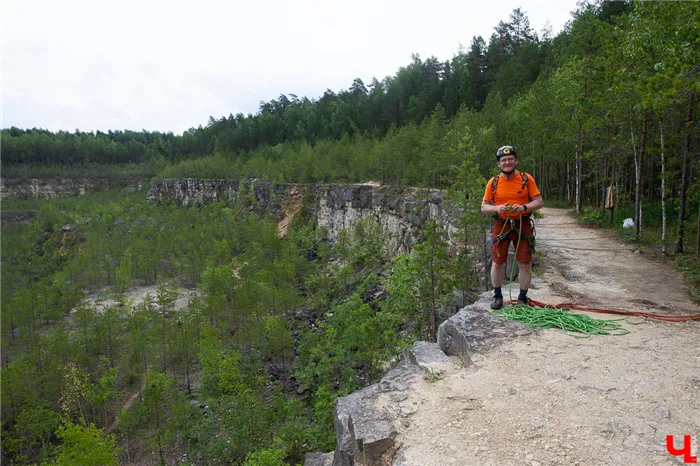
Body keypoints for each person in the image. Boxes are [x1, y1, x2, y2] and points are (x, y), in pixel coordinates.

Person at [481, 145, 544, 310]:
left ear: (516, 160)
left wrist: (524, 207)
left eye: (510, 159)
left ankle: (522, 298)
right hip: (501, 225)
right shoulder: (493, 182)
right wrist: (497, 208)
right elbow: (484, 207)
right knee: (497, 262)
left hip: (522, 224)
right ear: (498, 164)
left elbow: (539, 202)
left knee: (525, 262)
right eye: (503, 160)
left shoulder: (526, 179)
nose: (507, 162)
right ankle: (497, 296)